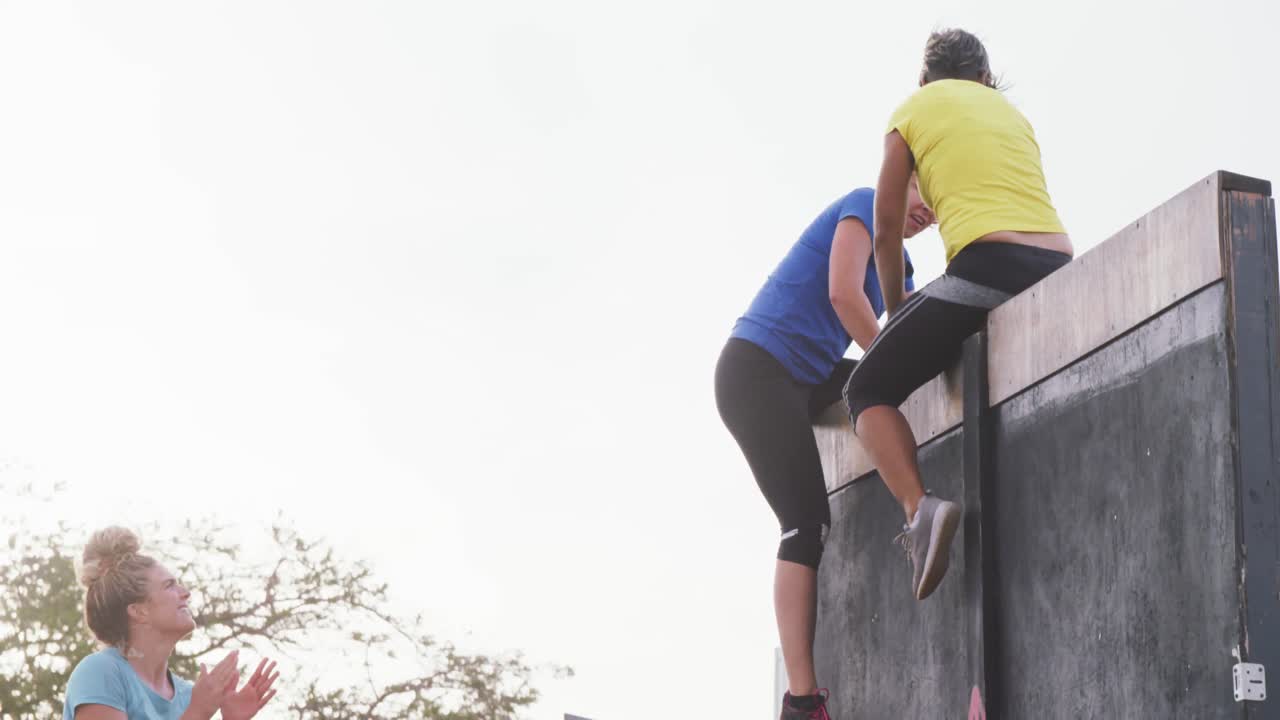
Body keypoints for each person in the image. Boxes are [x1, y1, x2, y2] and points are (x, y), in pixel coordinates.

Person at [843, 28, 1073, 606]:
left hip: (987, 266)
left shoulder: (912, 112)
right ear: (984, 78)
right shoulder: (1010, 114)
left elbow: (887, 232)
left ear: (925, 79)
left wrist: (896, 317)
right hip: (1058, 259)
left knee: (865, 389)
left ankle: (920, 511)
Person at [715, 182, 935, 720]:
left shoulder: (900, 270)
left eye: (940, 202)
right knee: (805, 521)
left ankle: (919, 506)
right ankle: (802, 703)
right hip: (757, 369)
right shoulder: (864, 203)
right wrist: (891, 361)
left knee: (883, 385)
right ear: (900, 180)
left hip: (806, 378)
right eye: (923, 189)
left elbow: (903, 338)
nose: (929, 210)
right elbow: (842, 294)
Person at [62, 526, 280, 720]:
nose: (186, 593)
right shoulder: (101, 672)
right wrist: (198, 712)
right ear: (139, 611)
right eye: (169, 586)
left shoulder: (187, 695)